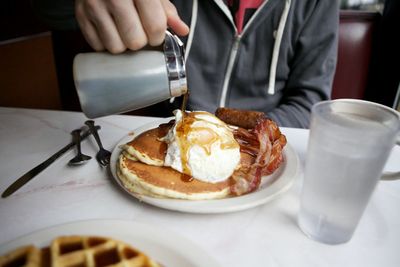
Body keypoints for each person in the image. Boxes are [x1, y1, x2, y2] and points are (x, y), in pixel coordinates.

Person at [33, 0, 339, 128]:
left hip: (259, 144)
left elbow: (310, 104)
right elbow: (49, 12)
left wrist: (226, 135)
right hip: (164, 128)